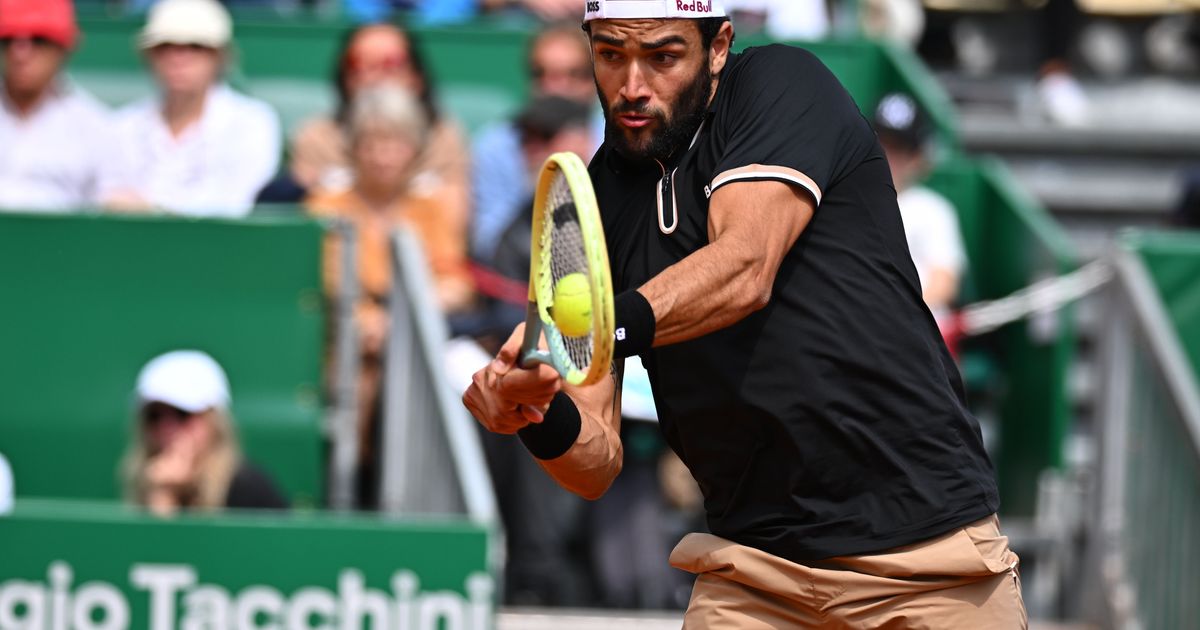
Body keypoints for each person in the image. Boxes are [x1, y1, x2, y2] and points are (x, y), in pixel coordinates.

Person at [463, 2, 1026, 627]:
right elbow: (596, 463)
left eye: (664, 56)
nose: (633, 86)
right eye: (611, 54)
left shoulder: (782, 83)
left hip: (923, 558)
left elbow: (744, 267)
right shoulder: (598, 200)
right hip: (751, 573)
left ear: (719, 45)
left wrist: (587, 329)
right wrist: (537, 412)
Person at [307, 84, 474, 502]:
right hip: (341, 346)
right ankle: (355, 490)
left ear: (414, 149)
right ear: (353, 147)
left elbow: (457, 283)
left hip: (415, 347)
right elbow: (323, 282)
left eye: (395, 143)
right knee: (363, 379)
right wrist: (365, 319)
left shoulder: (430, 208)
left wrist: (405, 314)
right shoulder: (326, 207)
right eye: (371, 143)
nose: (382, 155)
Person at [99, 0, 281, 217]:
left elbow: (235, 204)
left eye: (195, 47)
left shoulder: (253, 123)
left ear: (221, 57)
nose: (178, 58)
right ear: (150, 56)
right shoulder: (122, 125)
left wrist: (150, 209)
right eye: (165, 47)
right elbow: (108, 200)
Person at [287, 21, 470, 230]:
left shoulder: (444, 137)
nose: (372, 77)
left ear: (417, 77)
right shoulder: (317, 137)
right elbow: (314, 222)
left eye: (390, 64)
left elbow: (452, 222)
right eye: (357, 65)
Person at [470, 22, 601, 260]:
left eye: (573, 74)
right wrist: (544, 183)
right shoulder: (497, 145)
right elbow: (488, 248)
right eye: (542, 74)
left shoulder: (618, 138)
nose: (557, 87)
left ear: (593, 79)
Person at [122, 350, 288, 516]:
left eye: (182, 413)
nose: (167, 427)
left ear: (214, 421)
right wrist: (161, 495)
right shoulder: (142, 482)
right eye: (154, 416)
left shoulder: (248, 487)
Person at [0, 0, 111, 212]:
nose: (20, 53)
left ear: (64, 47)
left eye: (38, 40)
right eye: (8, 39)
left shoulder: (95, 126)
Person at [874, 92, 966, 321]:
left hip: (912, 333)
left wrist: (886, 313)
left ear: (916, 157)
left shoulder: (932, 210)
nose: (886, 156)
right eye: (880, 144)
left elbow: (944, 284)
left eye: (897, 149)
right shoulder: (845, 201)